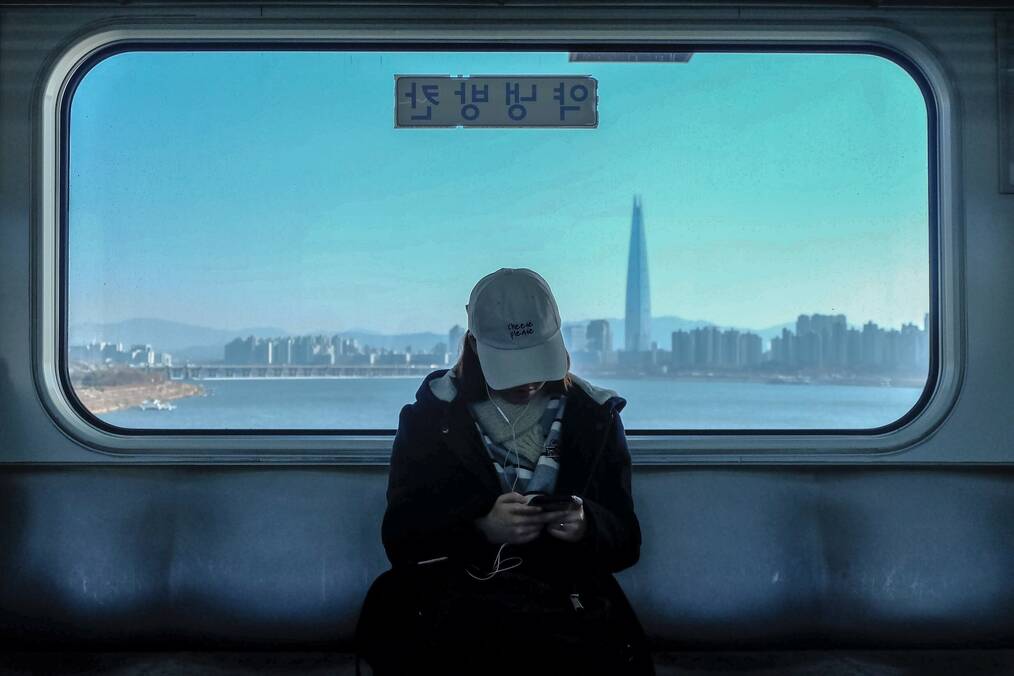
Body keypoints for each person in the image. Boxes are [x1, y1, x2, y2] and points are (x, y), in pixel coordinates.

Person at [356, 268, 653, 676]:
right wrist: (481, 528)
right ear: (474, 347)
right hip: (455, 609)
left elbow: (627, 540)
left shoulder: (593, 417)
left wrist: (586, 524)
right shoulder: (430, 417)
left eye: (536, 362)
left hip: (565, 606)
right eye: (513, 367)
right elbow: (400, 537)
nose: (529, 382)